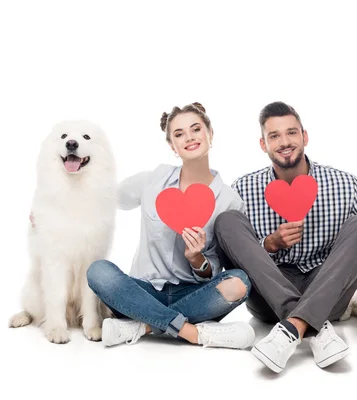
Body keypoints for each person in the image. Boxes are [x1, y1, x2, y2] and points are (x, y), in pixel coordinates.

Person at [213, 101, 357, 373]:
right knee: (226, 221)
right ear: (263, 144)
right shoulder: (244, 187)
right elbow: (230, 246)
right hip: (268, 296)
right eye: (274, 136)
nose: (284, 142)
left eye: (291, 132)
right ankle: (312, 325)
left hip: (327, 290)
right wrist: (269, 244)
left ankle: (292, 328)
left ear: (305, 136)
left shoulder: (343, 183)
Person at [86, 102, 255, 349]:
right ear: (172, 146)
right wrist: (51, 209)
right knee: (98, 271)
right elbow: (105, 198)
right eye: (179, 134)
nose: (189, 137)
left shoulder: (230, 201)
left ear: (210, 133)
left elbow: (220, 267)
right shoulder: (153, 180)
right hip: (142, 292)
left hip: (194, 297)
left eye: (196, 129)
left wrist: (197, 259)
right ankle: (192, 333)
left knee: (240, 281)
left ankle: (142, 326)